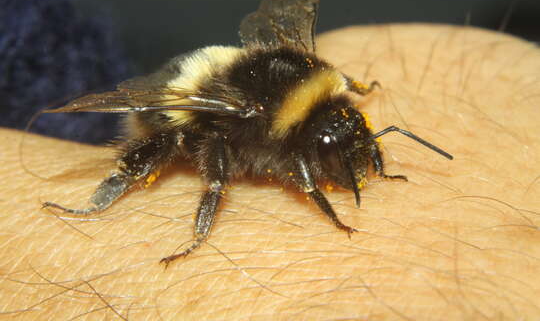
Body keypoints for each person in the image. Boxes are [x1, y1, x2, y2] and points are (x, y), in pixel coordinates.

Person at [2, 24, 539, 320]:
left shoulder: (318, 96)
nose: (350, 143)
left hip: (247, 81)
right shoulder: (260, 123)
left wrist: (362, 111)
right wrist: (335, 222)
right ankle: (110, 200)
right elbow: (303, 163)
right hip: (192, 96)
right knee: (191, 150)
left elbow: (329, 111)